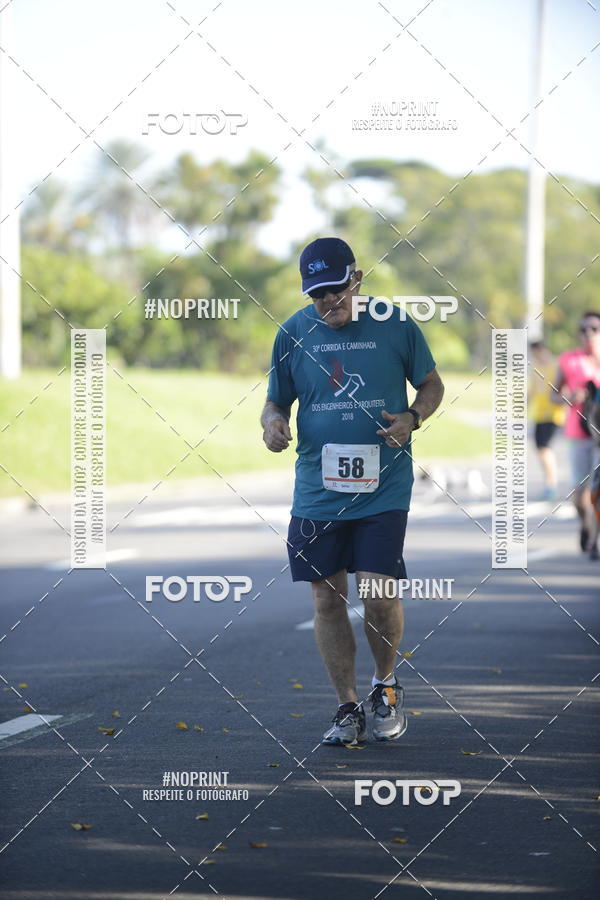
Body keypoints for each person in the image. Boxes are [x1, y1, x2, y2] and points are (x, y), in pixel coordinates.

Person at [260, 237, 444, 745]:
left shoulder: (396, 324)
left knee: (380, 594)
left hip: (383, 487)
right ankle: (346, 708)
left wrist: (412, 417)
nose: (328, 304)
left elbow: (432, 385)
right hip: (319, 489)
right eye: (317, 295)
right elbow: (275, 402)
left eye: (336, 292)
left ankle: (384, 688)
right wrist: (272, 425)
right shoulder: (294, 333)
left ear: (357, 279)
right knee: (326, 598)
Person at [553, 311, 600, 556]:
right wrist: (569, 397)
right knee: (579, 495)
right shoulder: (569, 360)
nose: (588, 334)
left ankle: (593, 540)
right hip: (578, 432)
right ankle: (585, 524)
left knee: (596, 490)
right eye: (583, 329)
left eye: (594, 328)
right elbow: (553, 394)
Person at [529, 341, 565, 501]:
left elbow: (563, 388)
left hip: (553, 415)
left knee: (545, 449)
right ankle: (549, 483)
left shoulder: (555, 366)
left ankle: (552, 484)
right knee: (540, 449)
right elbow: (533, 390)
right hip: (539, 415)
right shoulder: (536, 368)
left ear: (542, 350)